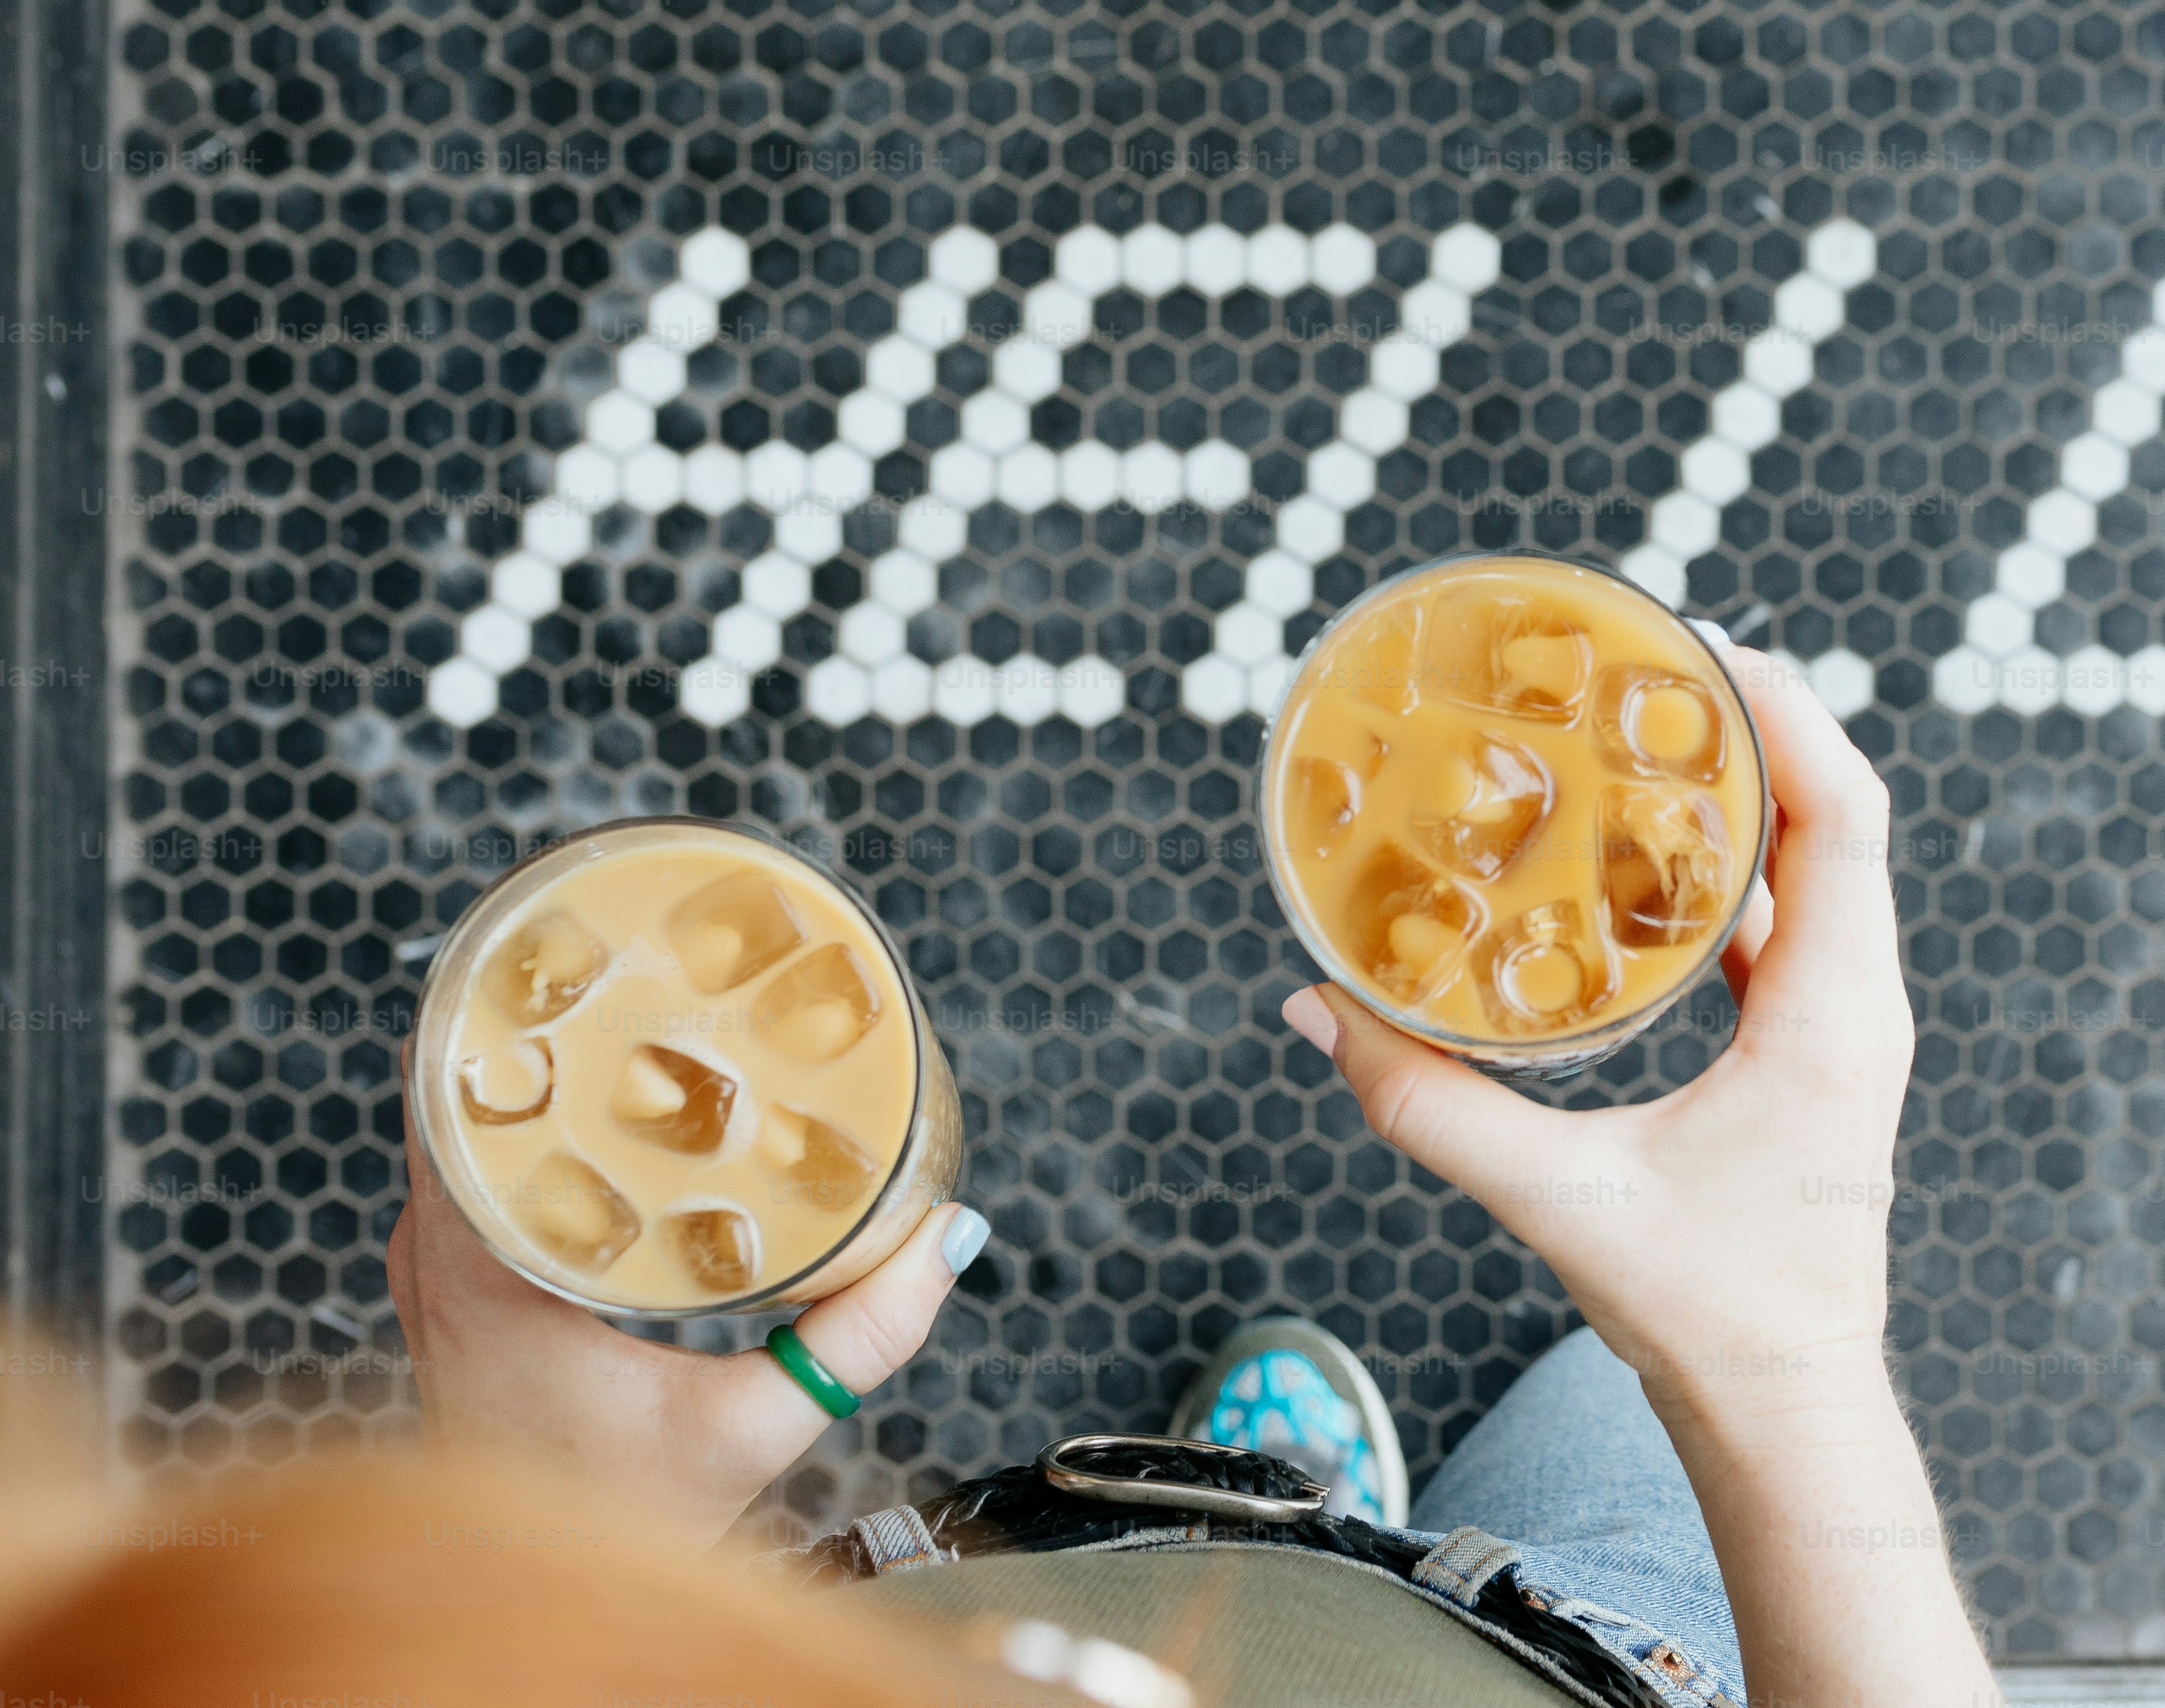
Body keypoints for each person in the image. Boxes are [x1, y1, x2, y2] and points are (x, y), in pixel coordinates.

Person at [376, 646, 2002, 1708]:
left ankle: (1258, 1526)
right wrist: (1783, 1373)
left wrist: (542, 1556)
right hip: (1566, 1650)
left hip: (897, 1630)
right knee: (1617, 1396)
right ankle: (1324, 1531)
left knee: (1609, 1398)